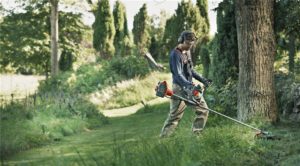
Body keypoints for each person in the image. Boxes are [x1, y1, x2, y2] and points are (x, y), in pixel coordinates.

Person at [160, 30, 212, 137]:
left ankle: (195, 135)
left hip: (187, 87)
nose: (189, 46)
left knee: (200, 110)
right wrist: (189, 86)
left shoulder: (187, 52)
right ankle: (165, 140)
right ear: (181, 41)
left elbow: (191, 70)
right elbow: (178, 74)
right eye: (188, 43)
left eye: (192, 44)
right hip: (180, 88)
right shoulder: (175, 54)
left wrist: (203, 80)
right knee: (178, 116)